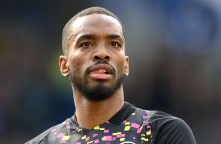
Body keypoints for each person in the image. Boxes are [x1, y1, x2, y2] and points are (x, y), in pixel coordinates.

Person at [25, 7, 196, 144]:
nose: (101, 53)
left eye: (114, 44)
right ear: (64, 65)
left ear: (126, 65)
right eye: (86, 44)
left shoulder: (162, 131)